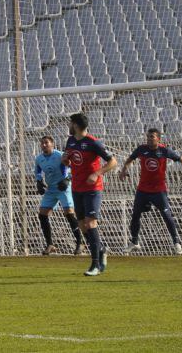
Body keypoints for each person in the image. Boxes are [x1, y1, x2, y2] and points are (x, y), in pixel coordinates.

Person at [62, 113, 117, 276]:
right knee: (81, 225)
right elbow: (70, 162)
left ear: (76, 126)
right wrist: (65, 160)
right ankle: (100, 249)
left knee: (90, 223)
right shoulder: (70, 141)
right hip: (77, 188)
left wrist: (97, 173)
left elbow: (113, 162)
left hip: (92, 189)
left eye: (71, 123)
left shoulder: (93, 142)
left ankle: (95, 265)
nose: (69, 126)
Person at [119, 128, 182, 254]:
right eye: (148, 137)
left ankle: (176, 243)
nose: (149, 139)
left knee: (167, 215)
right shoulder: (141, 149)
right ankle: (134, 242)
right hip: (143, 189)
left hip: (159, 190)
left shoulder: (164, 151)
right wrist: (124, 170)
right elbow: (130, 159)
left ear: (158, 138)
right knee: (135, 215)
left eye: (152, 137)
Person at [34, 135, 83, 255]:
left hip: (63, 188)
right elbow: (38, 171)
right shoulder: (39, 159)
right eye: (42, 143)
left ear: (52, 144)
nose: (44, 145)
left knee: (69, 213)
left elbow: (75, 168)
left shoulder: (61, 155)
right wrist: (39, 182)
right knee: (42, 214)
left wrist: (67, 179)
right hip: (51, 190)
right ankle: (50, 244)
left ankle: (79, 243)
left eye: (46, 142)